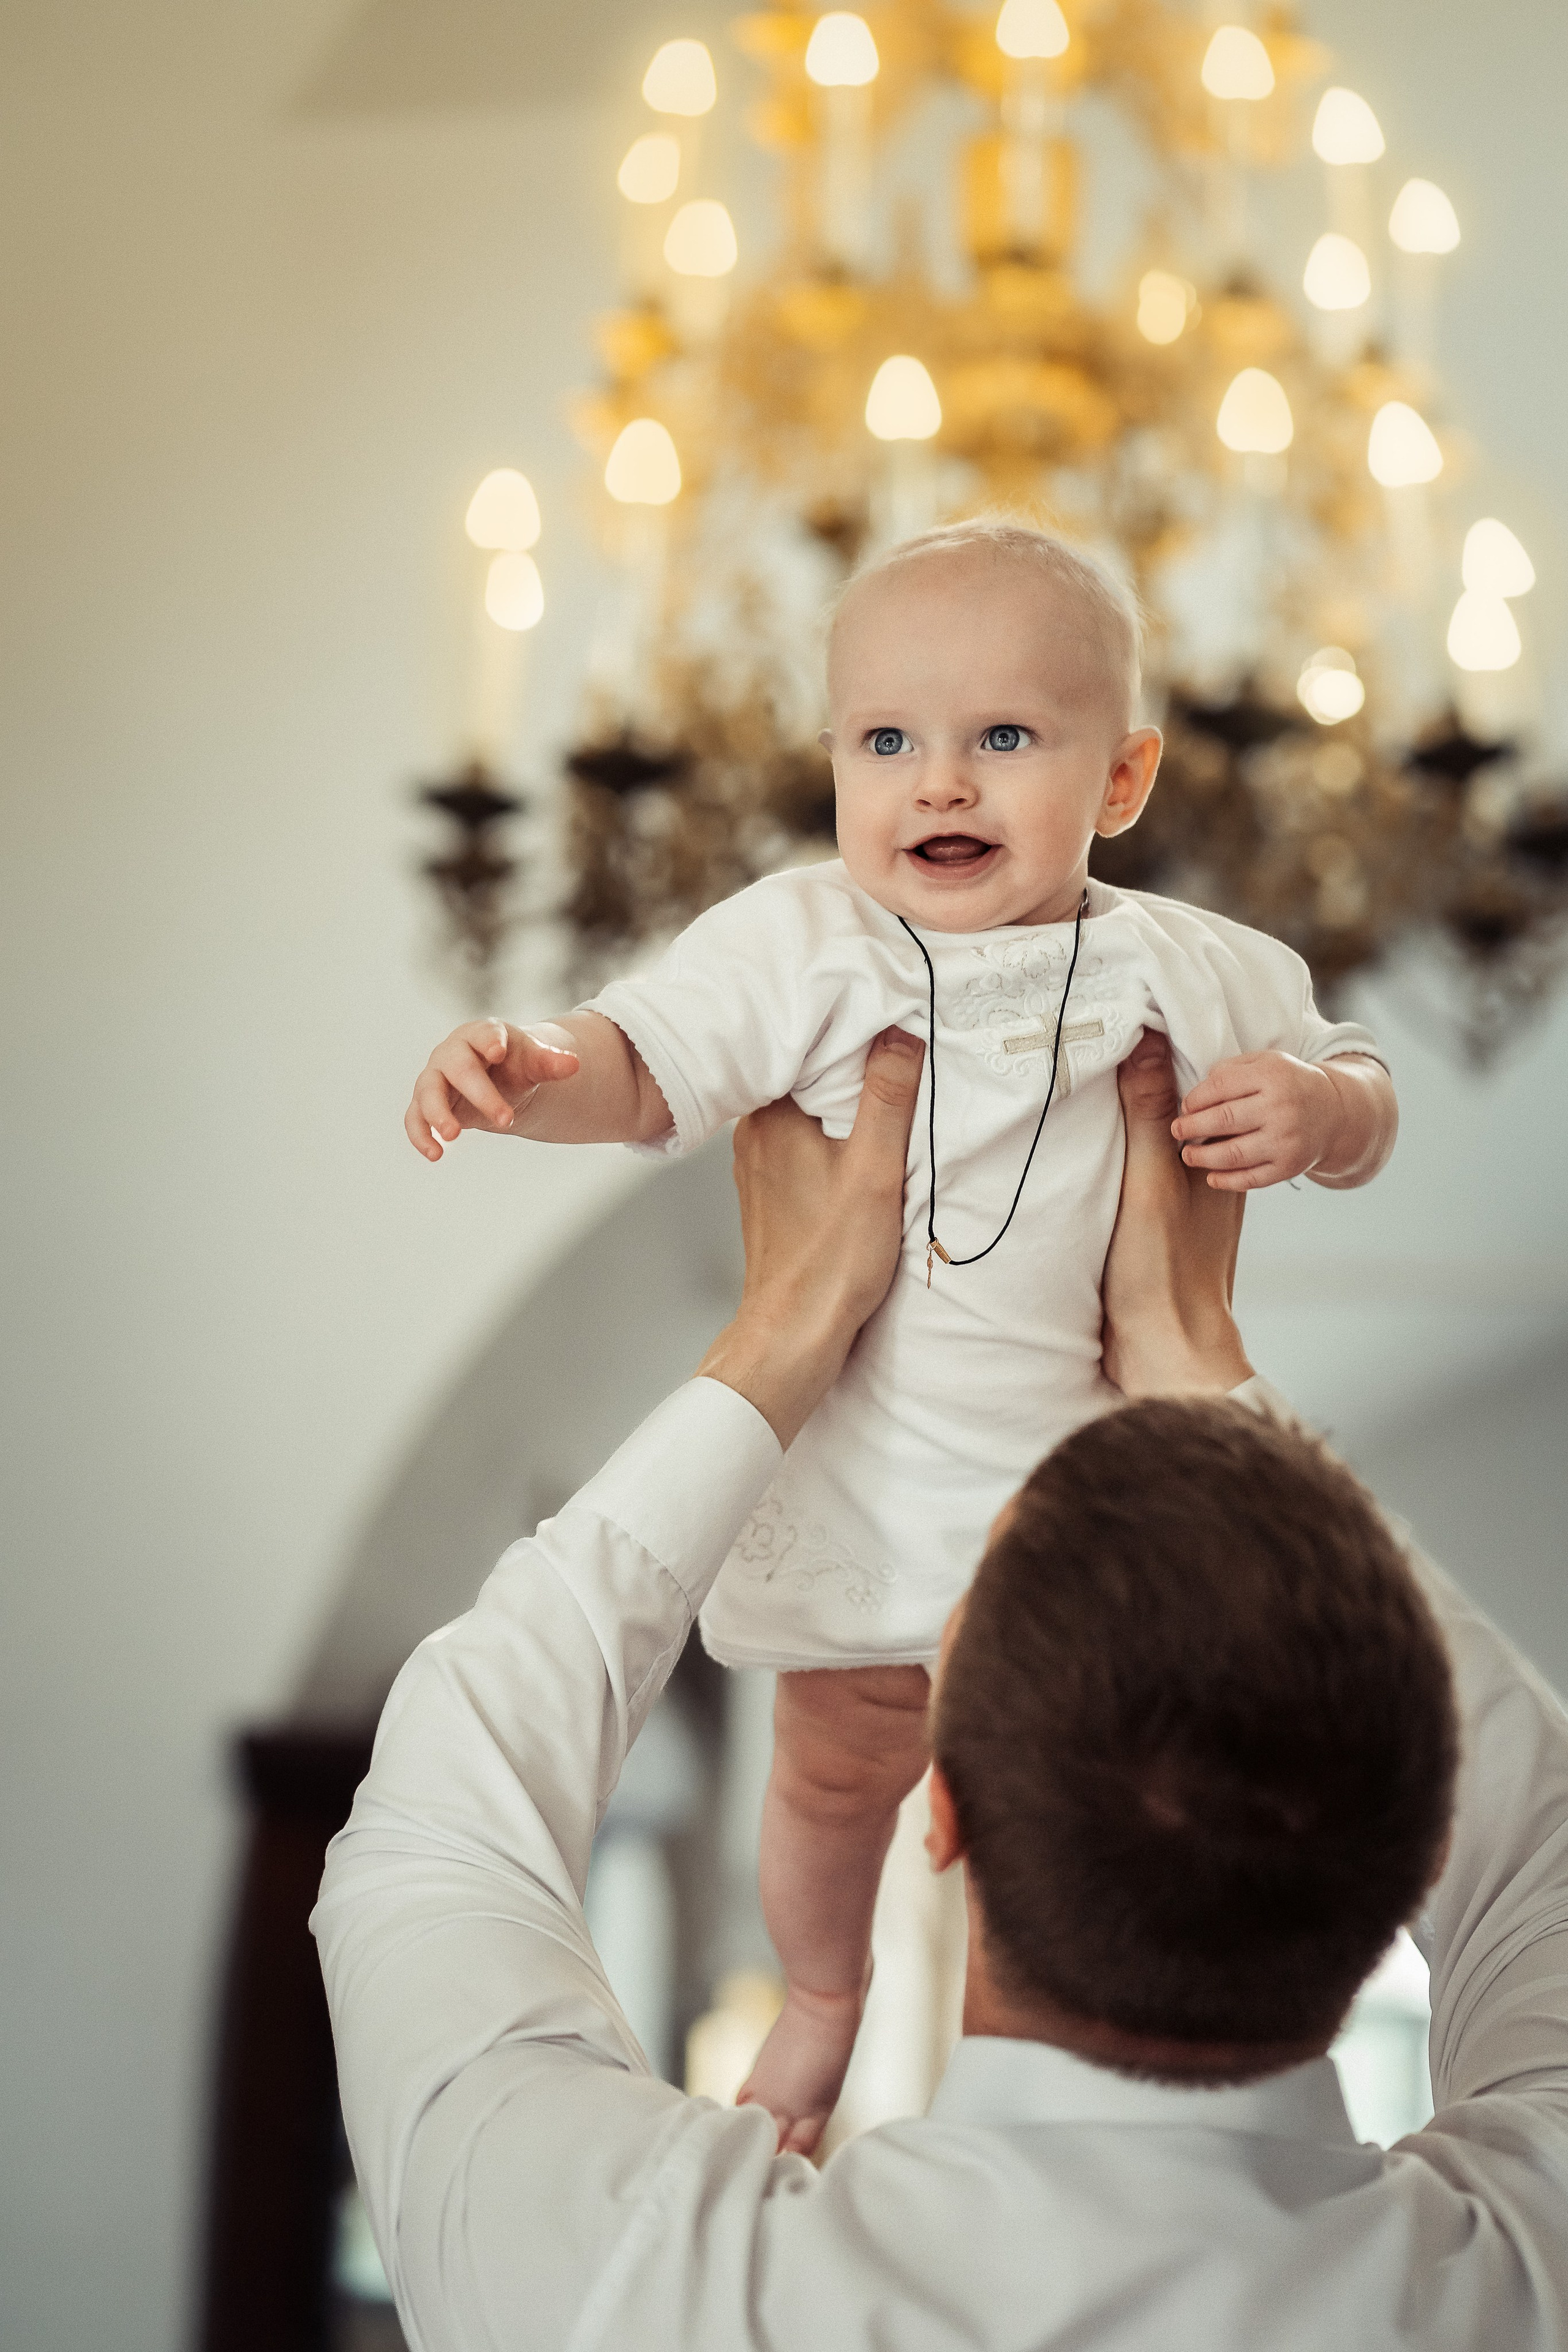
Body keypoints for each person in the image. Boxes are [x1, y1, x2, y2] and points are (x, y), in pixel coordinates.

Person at [320, 1025, 1568, 2351]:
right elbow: (1541, 1827)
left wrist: (785, 1327)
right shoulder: (1523, 2278)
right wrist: (1193, 1359)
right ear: (1424, 1845)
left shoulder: (640, 2284)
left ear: (943, 1812)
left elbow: (435, 1820)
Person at [402, 521, 1399, 2149]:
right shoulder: (805, 944)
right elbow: (646, 1062)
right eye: (888, 742)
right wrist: (530, 1063)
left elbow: (1365, 1084)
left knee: (1070, 1823)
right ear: (834, 767)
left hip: (1076, 1527)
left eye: (1004, 738)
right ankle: (822, 1998)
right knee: (824, 1782)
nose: (940, 783)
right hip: (866, 1500)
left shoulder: (1186, 968)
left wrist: (1315, 1110)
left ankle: (1040, 2100)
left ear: (1125, 779)